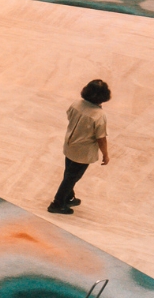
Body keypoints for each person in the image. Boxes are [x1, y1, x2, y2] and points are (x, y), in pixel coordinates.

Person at [47, 80, 110, 215]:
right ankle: (57, 203)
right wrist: (105, 154)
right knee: (72, 177)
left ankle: (68, 196)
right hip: (83, 152)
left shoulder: (76, 105)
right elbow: (101, 138)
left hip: (70, 144)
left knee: (69, 173)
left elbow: (70, 117)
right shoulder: (99, 115)